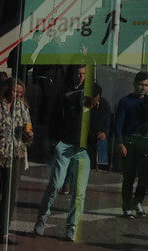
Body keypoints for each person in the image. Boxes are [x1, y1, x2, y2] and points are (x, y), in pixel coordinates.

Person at [32, 65, 90, 241]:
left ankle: (72, 227)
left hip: (82, 149)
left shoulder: (89, 93)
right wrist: (55, 141)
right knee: (56, 185)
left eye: (83, 74)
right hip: (64, 144)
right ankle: (42, 218)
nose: (80, 77)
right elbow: (53, 116)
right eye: (78, 73)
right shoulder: (64, 92)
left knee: (79, 192)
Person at [0, 76, 32, 244]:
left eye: (20, 93)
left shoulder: (23, 107)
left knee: (9, 195)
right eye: (15, 91)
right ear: (7, 89)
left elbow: (29, 131)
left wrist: (29, 135)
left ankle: (4, 233)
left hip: (16, 155)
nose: (17, 95)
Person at [113, 71, 148, 218]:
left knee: (145, 176)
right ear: (135, 84)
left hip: (143, 141)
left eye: (146, 85)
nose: (143, 87)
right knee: (129, 176)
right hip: (129, 141)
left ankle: (137, 201)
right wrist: (121, 143)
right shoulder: (125, 101)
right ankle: (126, 205)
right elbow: (118, 125)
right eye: (141, 84)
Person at [87, 82, 111, 171]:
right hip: (87, 139)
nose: (92, 105)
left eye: (95, 101)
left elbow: (107, 121)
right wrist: (93, 134)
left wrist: (105, 133)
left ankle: (100, 167)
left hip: (100, 138)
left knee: (101, 164)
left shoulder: (105, 105)